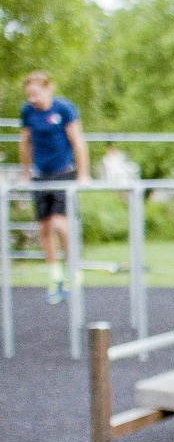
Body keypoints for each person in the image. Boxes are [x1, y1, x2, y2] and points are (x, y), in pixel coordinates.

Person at [18, 71, 90, 305]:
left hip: (64, 172)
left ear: (48, 88)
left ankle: (72, 270)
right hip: (41, 174)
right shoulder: (28, 112)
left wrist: (83, 174)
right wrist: (25, 173)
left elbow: (78, 142)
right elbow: (25, 143)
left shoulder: (64, 109)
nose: (32, 99)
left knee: (61, 224)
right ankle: (54, 276)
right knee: (44, 228)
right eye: (29, 95)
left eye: (36, 94)